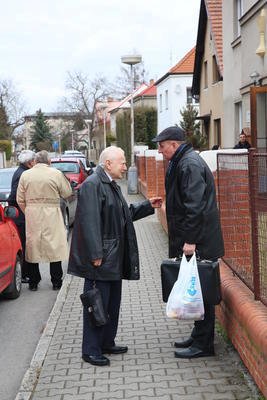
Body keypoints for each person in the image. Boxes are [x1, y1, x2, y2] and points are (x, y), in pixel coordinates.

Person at [68, 146, 162, 366]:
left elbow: (122, 214)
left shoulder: (110, 184)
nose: (124, 165)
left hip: (113, 258)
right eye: (121, 161)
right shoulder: (93, 184)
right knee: (96, 304)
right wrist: (95, 254)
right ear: (108, 163)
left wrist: (148, 206)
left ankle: (106, 342)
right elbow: (89, 222)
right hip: (101, 259)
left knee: (111, 304)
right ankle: (90, 350)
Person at [152, 126, 224, 359]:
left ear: (174, 144)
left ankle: (204, 344)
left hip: (199, 240)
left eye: (162, 146)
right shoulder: (183, 161)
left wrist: (191, 241)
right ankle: (198, 335)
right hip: (195, 238)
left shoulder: (189, 164)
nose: (160, 151)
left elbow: (195, 206)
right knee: (195, 288)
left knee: (201, 291)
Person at [17, 150, 72, 291]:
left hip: (32, 214)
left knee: (33, 246)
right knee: (54, 246)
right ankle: (56, 282)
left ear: (35, 161)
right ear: (49, 161)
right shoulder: (56, 173)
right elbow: (67, 192)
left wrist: (28, 211)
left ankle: (34, 282)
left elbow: (19, 199)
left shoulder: (26, 175)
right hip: (52, 212)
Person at [8, 150, 36, 283]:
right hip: (21, 216)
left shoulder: (21, 171)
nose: (35, 163)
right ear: (30, 162)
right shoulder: (23, 174)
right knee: (25, 245)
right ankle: (25, 274)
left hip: (21, 215)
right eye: (34, 161)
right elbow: (14, 196)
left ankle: (26, 273)